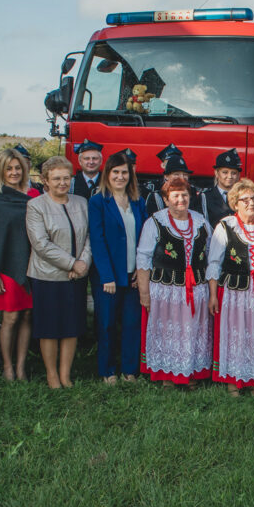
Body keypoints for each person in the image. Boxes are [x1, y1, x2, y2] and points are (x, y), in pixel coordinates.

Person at [136, 174, 213, 386]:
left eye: (185, 195)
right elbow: (143, 258)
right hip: (165, 289)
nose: (181, 200)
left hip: (196, 289)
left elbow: (211, 254)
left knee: (192, 331)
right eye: (175, 196)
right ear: (167, 198)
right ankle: (168, 375)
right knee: (167, 331)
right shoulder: (155, 222)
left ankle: (189, 372)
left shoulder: (200, 222)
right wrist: (144, 293)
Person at [207, 178, 254, 396]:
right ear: (235, 203)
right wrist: (213, 295)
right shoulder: (225, 226)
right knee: (237, 335)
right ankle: (234, 382)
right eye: (245, 199)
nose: (251, 202)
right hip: (235, 292)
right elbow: (214, 262)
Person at [26, 156, 92, 389]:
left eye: (66, 178)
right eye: (56, 179)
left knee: (71, 326)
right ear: (45, 180)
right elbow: (41, 244)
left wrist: (82, 264)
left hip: (77, 276)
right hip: (48, 276)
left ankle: (66, 374)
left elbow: (89, 238)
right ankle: (52, 375)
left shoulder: (81, 202)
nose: (62, 183)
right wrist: (72, 263)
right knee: (50, 328)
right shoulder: (36, 205)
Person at [0, 148, 38, 381]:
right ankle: (7, 366)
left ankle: (21, 366)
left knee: (27, 316)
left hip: (33, 263)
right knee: (10, 317)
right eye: (9, 168)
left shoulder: (34, 194)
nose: (14, 172)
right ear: (1, 171)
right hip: (5, 266)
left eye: (17, 168)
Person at [87, 152, 147, 384]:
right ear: (107, 174)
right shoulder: (98, 201)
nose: (120, 176)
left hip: (133, 275)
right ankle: (108, 371)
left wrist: (140, 272)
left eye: (125, 172)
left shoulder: (137, 201)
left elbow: (144, 238)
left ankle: (130, 370)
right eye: (116, 172)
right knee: (107, 324)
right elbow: (97, 240)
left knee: (132, 324)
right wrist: (107, 276)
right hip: (109, 276)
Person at [146, 144, 207, 216]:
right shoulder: (157, 196)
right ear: (166, 176)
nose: (181, 178)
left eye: (185, 175)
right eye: (176, 174)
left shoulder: (194, 193)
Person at [203, 148, 242, 228]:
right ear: (216, 173)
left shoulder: (243, 196)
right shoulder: (205, 197)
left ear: (238, 175)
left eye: (234, 173)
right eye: (225, 172)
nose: (229, 176)